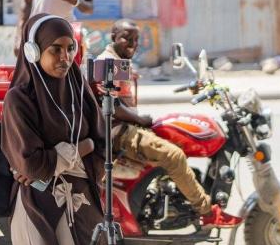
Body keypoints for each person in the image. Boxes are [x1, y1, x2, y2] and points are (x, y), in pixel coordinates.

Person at [1, 14, 110, 245]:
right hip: (42, 212)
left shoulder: (79, 88)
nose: (65, 57)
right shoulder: (19, 99)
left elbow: (105, 147)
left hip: (84, 206)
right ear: (33, 51)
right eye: (55, 49)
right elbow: (33, 167)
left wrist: (60, 157)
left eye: (69, 48)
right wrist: (82, 149)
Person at [97, 19, 242, 227]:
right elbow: (109, 103)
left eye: (136, 39)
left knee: (169, 133)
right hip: (118, 132)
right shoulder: (108, 62)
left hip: (124, 127)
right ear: (113, 38)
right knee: (174, 156)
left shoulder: (118, 60)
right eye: (126, 38)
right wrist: (140, 119)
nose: (133, 44)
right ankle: (207, 212)